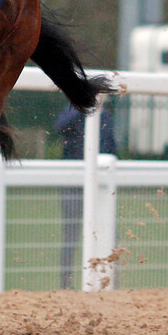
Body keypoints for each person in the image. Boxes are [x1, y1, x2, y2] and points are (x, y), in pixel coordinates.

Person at [53, 104, 117, 289]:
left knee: (110, 236)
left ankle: (110, 285)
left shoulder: (106, 116)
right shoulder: (72, 110)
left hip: (102, 185)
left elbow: (111, 145)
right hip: (73, 183)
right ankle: (66, 286)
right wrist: (84, 105)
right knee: (71, 237)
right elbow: (60, 126)